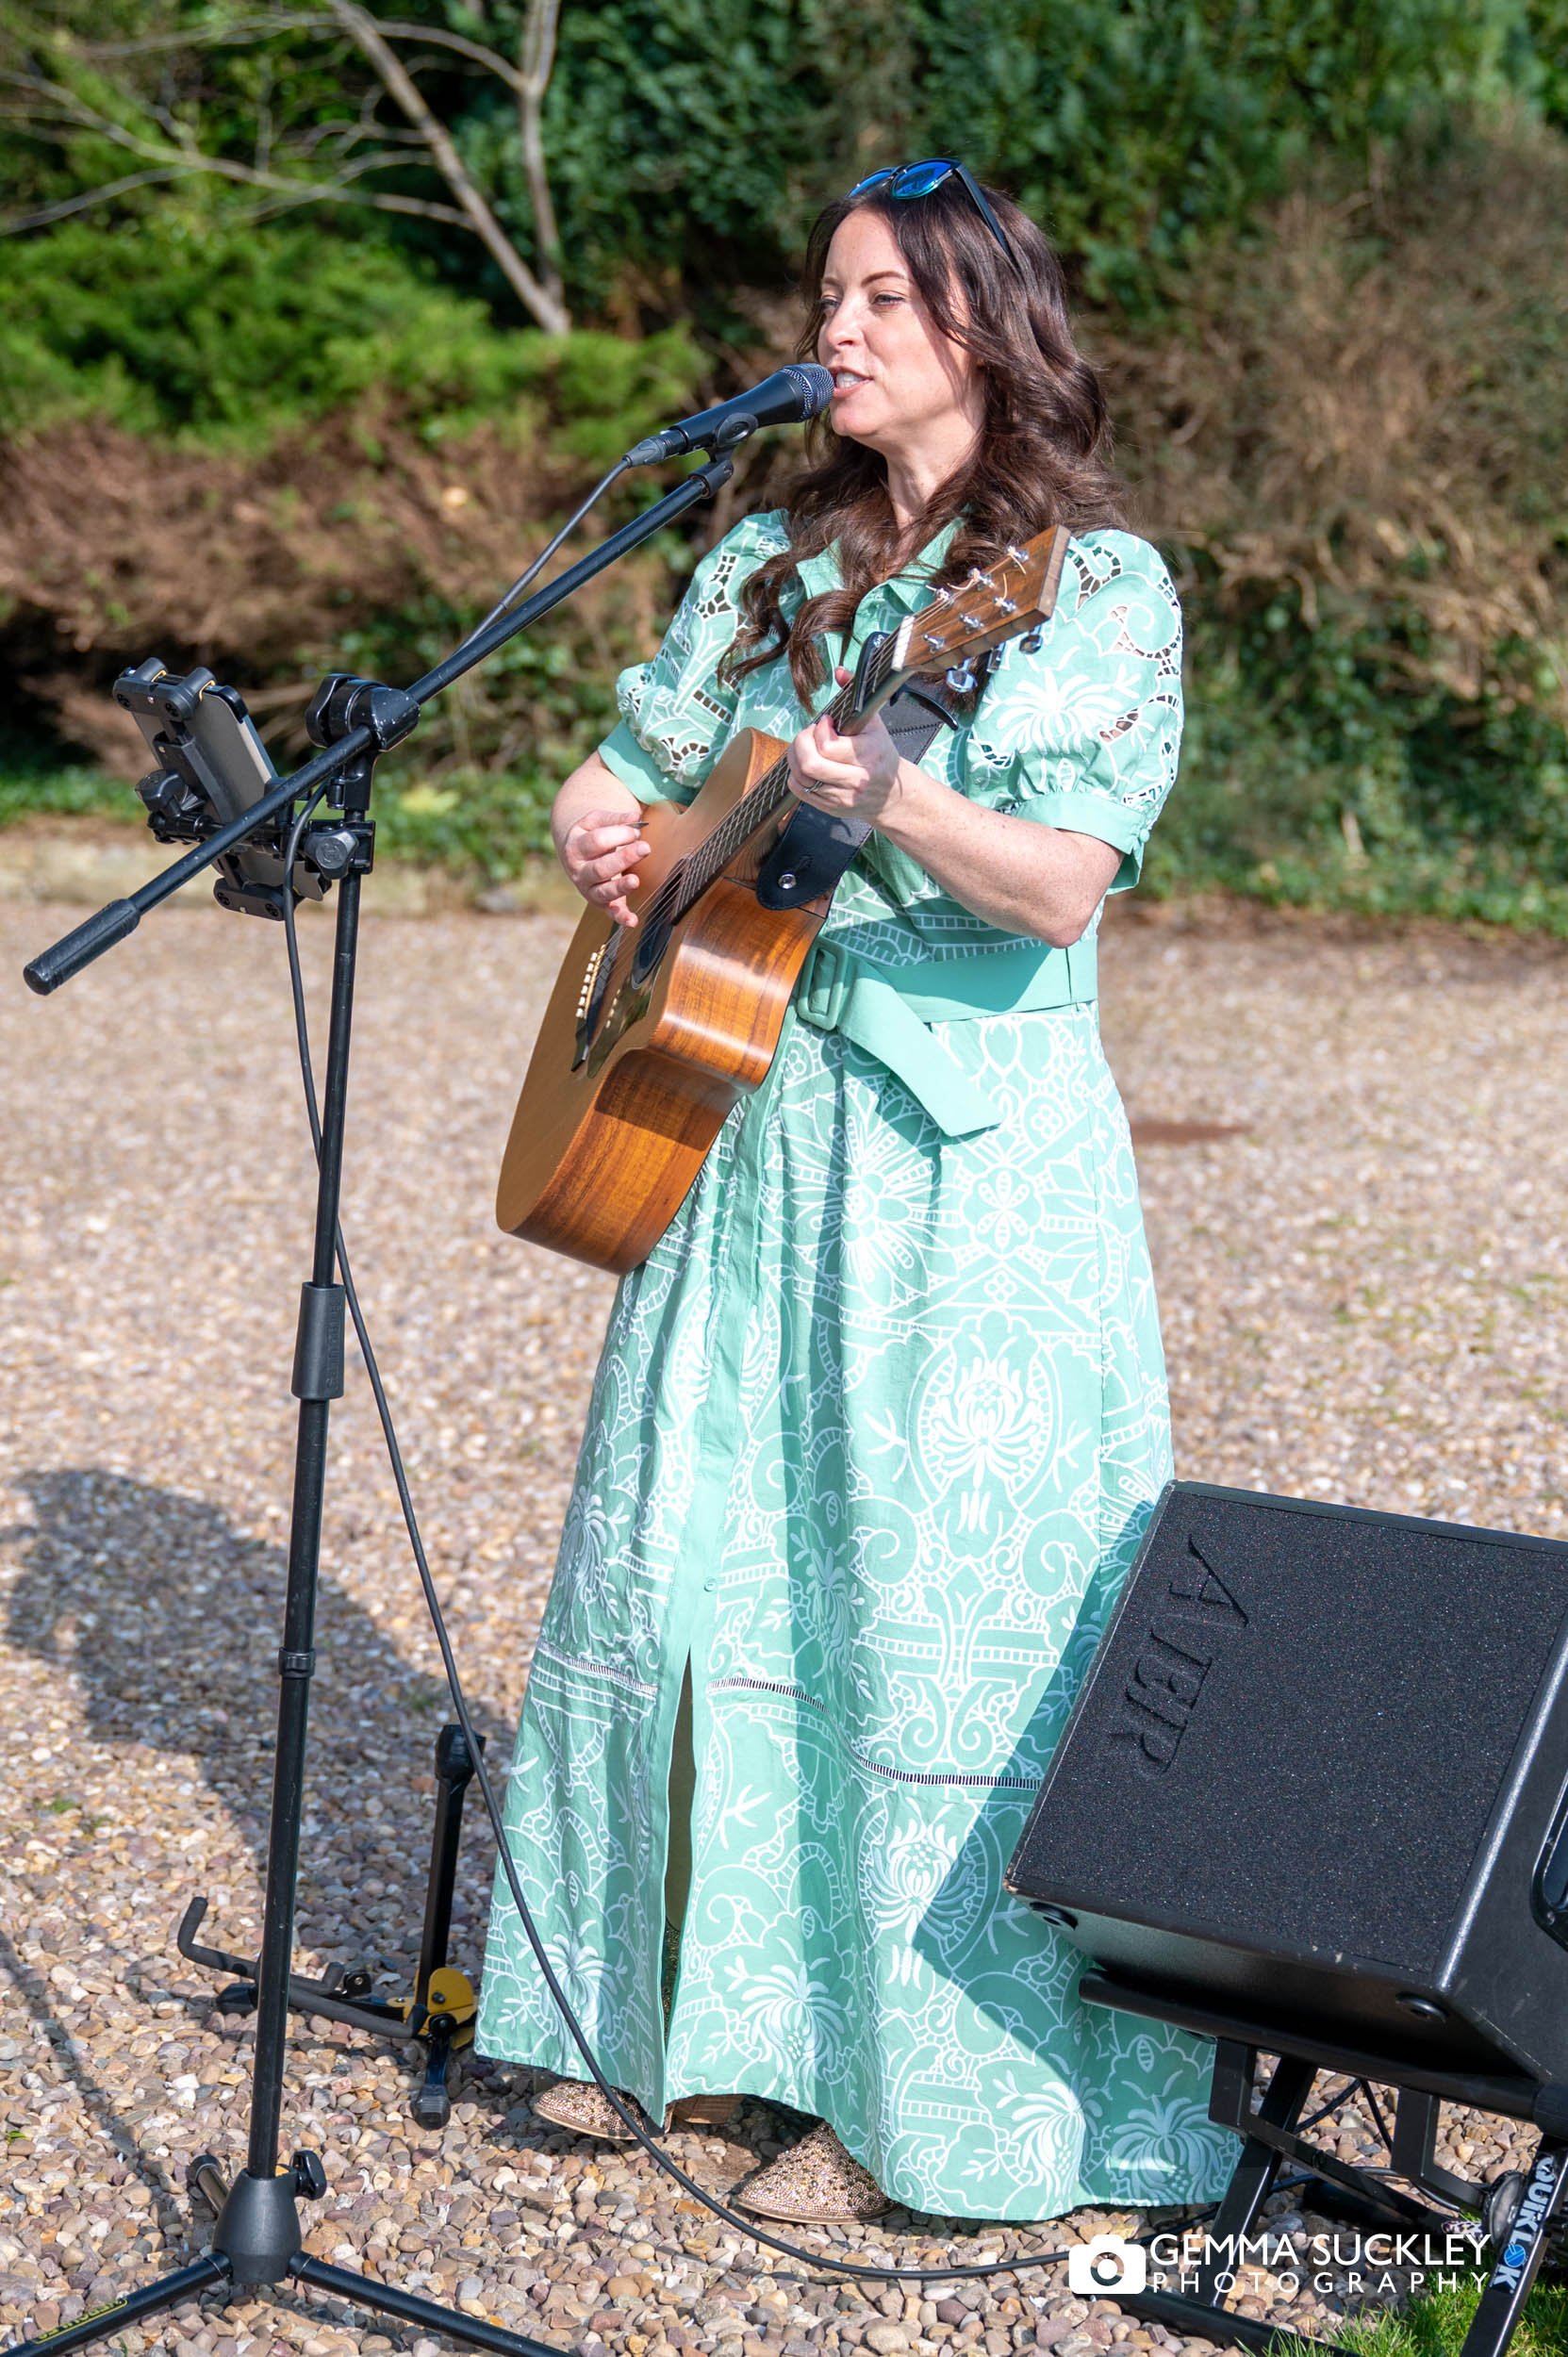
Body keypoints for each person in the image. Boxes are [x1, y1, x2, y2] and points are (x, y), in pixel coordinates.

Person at [476, 160, 1237, 2227]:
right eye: (830, 292)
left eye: (884, 297)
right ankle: (679, 2032)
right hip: (735, 1119)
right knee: (697, 1564)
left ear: (987, 325)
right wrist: (604, 835)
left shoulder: (1093, 591)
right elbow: (626, 771)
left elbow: (1062, 883)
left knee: (916, 1615)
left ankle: (918, 2100)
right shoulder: (760, 562)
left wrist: (895, 796)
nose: (838, 328)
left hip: (955, 1163)